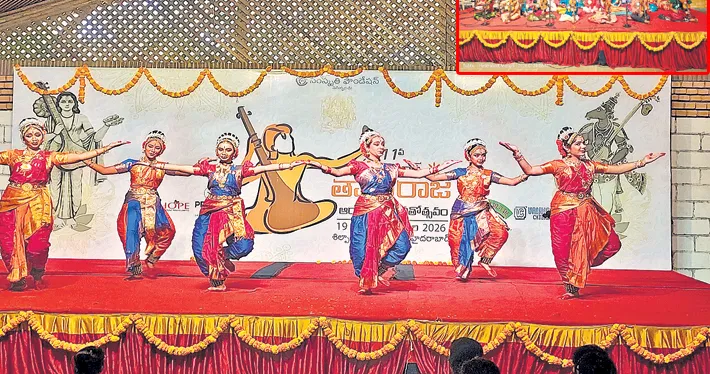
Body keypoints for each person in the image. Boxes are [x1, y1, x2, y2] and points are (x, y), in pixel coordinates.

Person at [500, 128, 664, 299]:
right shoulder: (558, 165)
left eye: (584, 143)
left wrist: (642, 162)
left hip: (586, 208)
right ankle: (571, 287)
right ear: (567, 148)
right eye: (578, 144)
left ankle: (580, 265)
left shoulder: (590, 165)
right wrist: (517, 154)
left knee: (612, 244)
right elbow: (530, 171)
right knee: (563, 250)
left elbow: (615, 169)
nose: (583, 146)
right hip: (563, 211)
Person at [146, 133, 305, 291]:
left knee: (244, 245)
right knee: (200, 250)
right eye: (221, 149)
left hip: (232, 212)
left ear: (234, 152)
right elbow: (184, 168)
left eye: (228, 150)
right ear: (216, 151)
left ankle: (221, 255)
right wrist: (158, 165)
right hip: (210, 212)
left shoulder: (240, 170)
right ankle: (217, 281)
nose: (224, 152)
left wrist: (287, 165)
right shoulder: (210, 169)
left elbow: (263, 168)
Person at [308, 130, 459, 294]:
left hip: (388, 213)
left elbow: (417, 174)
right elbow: (337, 172)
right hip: (366, 211)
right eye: (377, 144)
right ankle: (366, 280)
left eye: (383, 144)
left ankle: (378, 270)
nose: (381, 147)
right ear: (366, 147)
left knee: (403, 245)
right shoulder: (359, 166)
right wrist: (320, 166)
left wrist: (439, 167)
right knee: (361, 249)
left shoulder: (391, 168)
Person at [0, 118, 127, 291]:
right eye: (29, 135)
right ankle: (17, 277)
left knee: (38, 245)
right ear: (23, 138)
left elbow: (79, 156)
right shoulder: (12, 155)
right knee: (9, 243)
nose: (34, 138)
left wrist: (105, 149)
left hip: (38, 203)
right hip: (11, 202)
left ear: (43, 136)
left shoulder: (49, 157)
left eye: (37, 134)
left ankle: (37, 272)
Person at [413, 139, 527, 280]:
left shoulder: (488, 174)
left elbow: (512, 181)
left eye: (483, 155)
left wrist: (526, 172)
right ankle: (464, 269)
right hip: (461, 211)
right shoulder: (460, 172)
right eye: (476, 155)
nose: (481, 158)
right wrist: (418, 170)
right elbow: (434, 178)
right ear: (468, 156)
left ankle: (485, 260)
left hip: (481, 211)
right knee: (459, 241)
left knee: (500, 233)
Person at [83, 130, 183, 278]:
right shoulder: (132, 163)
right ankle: (135, 268)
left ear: (162, 150)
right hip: (133, 203)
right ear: (144, 146)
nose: (153, 150)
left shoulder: (162, 166)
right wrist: (88, 162)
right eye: (150, 146)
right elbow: (104, 171)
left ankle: (153, 257)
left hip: (153, 204)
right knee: (130, 234)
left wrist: (200, 167)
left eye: (157, 148)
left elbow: (184, 172)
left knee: (168, 230)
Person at [44, 91, 124, 230]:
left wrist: (106, 126)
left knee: (76, 186)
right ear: (58, 104)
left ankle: (71, 217)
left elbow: (94, 138)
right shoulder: (51, 120)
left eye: (70, 101)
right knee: (55, 187)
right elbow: (43, 139)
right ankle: (57, 217)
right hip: (56, 155)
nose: (67, 104)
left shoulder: (81, 118)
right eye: (63, 101)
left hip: (76, 155)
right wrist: (55, 132)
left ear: (74, 103)